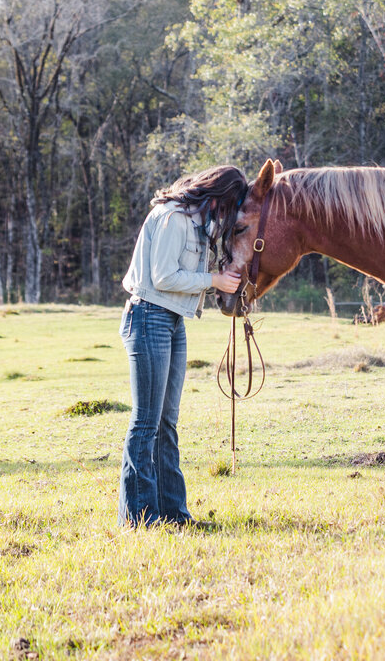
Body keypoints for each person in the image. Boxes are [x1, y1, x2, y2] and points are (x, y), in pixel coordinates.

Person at [117, 165, 247, 527]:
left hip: (171, 319)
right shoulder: (174, 217)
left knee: (166, 423)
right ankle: (141, 517)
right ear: (220, 197)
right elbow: (163, 276)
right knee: (146, 422)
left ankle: (175, 514)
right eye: (230, 206)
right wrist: (214, 280)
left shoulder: (196, 224)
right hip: (148, 318)